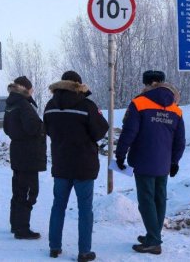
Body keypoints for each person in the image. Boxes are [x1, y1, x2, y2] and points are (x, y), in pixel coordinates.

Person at [115, 71, 186, 255]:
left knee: (146, 200)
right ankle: (152, 234)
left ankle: (154, 241)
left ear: (147, 84)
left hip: (143, 161)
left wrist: (120, 154)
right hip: (163, 163)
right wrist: (174, 161)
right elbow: (180, 140)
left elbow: (129, 132)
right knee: (159, 199)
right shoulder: (176, 108)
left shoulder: (139, 103)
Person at [43, 71, 109, 262]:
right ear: (79, 85)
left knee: (58, 206)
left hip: (61, 164)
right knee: (85, 209)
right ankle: (84, 251)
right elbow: (100, 131)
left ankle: (54, 247)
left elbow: (47, 129)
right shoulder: (86, 105)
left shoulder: (50, 106)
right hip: (84, 166)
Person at [3, 76, 47, 240]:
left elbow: (7, 128)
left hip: (18, 152)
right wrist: (43, 127)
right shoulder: (23, 104)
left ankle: (16, 224)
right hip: (29, 154)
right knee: (29, 191)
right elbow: (33, 127)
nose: (32, 91)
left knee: (18, 190)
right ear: (26, 89)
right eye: (31, 88)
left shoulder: (10, 104)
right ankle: (22, 228)